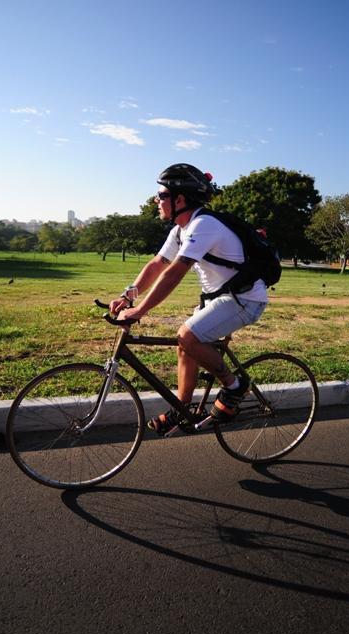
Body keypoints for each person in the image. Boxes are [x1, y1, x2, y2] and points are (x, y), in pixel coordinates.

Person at [110, 163, 269, 435]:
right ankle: (181, 409)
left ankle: (234, 386)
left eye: (161, 195)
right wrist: (129, 296)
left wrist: (141, 311)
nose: (156, 201)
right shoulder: (180, 230)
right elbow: (158, 264)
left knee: (187, 335)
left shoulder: (204, 224)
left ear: (180, 199)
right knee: (184, 345)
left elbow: (176, 272)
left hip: (244, 299)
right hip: (218, 298)